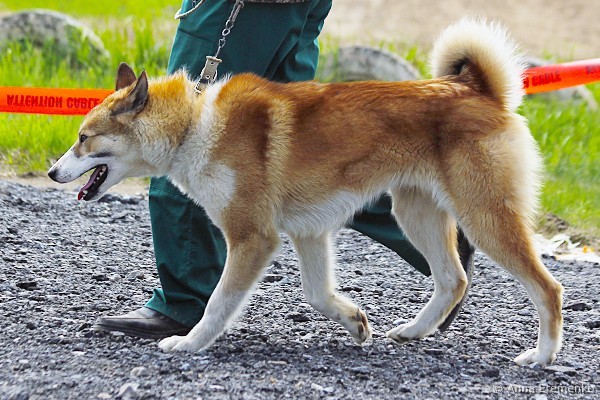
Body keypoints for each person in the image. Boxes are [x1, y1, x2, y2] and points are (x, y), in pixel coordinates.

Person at [95, 0, 474, 338]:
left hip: (239, 5)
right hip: (302, 4)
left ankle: (183, 300)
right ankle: (433, 234)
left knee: (175, 133)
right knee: (310, 158)